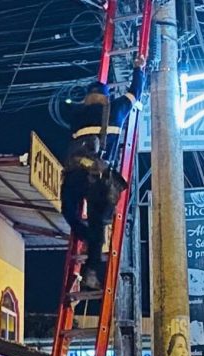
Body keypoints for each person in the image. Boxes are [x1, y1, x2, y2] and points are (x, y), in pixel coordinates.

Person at [61, 55, 147, 290]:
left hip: (75, 174)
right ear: (106, 97)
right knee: (98, 223)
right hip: (99, 178)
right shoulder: (117, 109)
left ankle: (88, 237)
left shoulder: (77, 116)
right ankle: (91, 267)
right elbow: (135, 93)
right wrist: (139, 69)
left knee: (69, 211)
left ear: (87, 98)